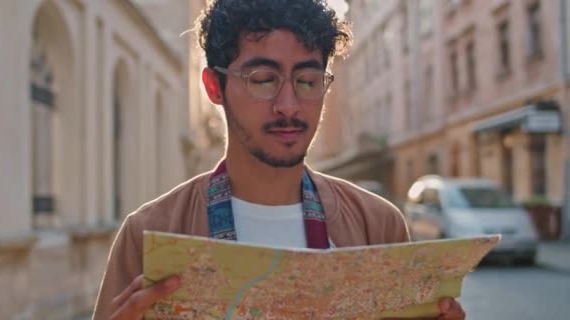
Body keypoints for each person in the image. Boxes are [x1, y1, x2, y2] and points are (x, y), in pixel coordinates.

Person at [92, 1, 466, 319]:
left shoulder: (377, 226)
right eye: (263, 78)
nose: (288, 106)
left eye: (307, 80)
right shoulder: (149, 235)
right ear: (213, 86)